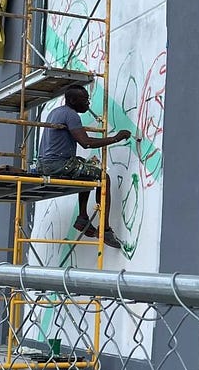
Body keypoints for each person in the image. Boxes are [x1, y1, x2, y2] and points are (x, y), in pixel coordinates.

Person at [36, 85, 131, 248]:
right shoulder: (71, 115)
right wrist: (116, 138)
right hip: (57, 165)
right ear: (73, 100)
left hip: (45, 164)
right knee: (103, 177)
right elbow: (86, 143)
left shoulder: (56, 112)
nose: (88, 104)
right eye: (85, 100)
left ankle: (82, 218)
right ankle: (105, 229)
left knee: (85, 169)